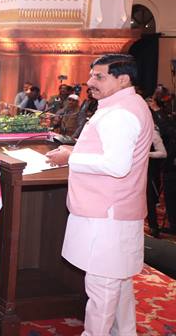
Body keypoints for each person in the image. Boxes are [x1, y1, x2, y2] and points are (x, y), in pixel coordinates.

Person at [45, 54, 153, 336]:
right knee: (118, 282)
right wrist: (74, 151)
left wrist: (71, 157)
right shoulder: (126, 104)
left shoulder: (121, 114)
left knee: (102, 287)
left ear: (123, 79)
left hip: (108, 213)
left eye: (99, 77)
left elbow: (117, 166)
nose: (90, 82)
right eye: (92, 75)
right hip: (114, 209)